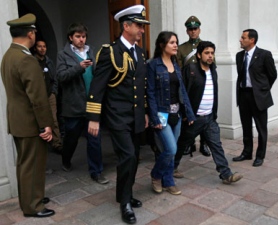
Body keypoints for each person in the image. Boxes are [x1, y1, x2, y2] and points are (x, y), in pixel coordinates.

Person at [86, 5, 150, 224]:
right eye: (139, 26)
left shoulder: (140, 53)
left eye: (143, 26)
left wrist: (145, 112)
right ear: (126, 26)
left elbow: (141, 87)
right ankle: (125, 203)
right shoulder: (110, 52)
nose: (142, 30)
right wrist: (94, 118)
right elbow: (97, 86)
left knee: (135, 158)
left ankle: (127, 194)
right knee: (128, 156)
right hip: (117, 116)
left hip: (136, 116)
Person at [1, 13, 55, 217]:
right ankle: (33, 206)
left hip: (17, 120)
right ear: (31, 34)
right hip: (30, 122)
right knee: (32, 165)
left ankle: (31, 198)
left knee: (24, 164)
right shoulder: (26, 59)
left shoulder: (8, 56)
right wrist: (46, 125)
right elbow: (38, 98)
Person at [177, 41, 243, 184]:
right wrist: (186, 114)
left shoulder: (213, 69)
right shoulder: (190, 69)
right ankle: (171, 169)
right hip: (194, 118)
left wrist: (213, 114)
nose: (210, 56)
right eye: (207, 53)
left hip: (209, 118)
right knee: (181, 144)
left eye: (212, 53)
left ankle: (226, 174)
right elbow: (183, 93)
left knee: (216, 146)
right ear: (199, 55)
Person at [56, 22, 108, 184]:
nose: (81, 39)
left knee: (94, 138)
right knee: (71, 138)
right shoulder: (62, 55)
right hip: (73, 106)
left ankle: (96, 171)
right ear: (71, 38)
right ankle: (66, 159)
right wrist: (79, 67)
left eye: (83, 36)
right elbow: (61, 77)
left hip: (91, 104)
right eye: (78, 36)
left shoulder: (91, 52)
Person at [147, 31, 195, 196]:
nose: (176, 45)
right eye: (172, 42)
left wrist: (188, 113)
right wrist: (154, 117)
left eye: (176, 42)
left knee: (169, 151)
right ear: (162, 45)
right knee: (171, 149)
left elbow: (181, 90)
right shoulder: (153, 65)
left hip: (177, 115)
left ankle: (168, 181)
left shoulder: (175, 64)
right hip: (162, 114)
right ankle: (156, 175)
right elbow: (150, 94)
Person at [233, 29, 277, 167]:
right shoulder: (239, 56)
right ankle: (247, 153)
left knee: (261, 128)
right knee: (246, 126)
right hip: (243, 94)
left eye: (243, 37)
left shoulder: (264, 55)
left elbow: (272, 75)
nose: (240, 40)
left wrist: (262, 89)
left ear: (252, 40)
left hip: (258, 96)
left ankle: (260, 156)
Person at [176, 16, 210, 173]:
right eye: (190, 29)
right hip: (189, 87)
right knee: (189, 116)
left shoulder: (206, 47)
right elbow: (180, 69)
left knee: (205, 115)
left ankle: (204, 143)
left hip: (204, 87)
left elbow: (211, 65)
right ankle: (189, 143)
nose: (193, 31)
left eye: (195, 28)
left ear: (199, 30)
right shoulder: (182, 49)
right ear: (187, 31)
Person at [34, 40, 63, 154]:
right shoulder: (32, 61)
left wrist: (54, 92)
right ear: (35, 48)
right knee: (39, 120)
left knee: (54, 119)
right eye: (40, 46)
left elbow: (55, 78)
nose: (42, 48)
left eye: (44, 46)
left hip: (50, 94)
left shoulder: (49, 62)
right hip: (38, 96)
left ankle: (57, 143)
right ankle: (41, 144)